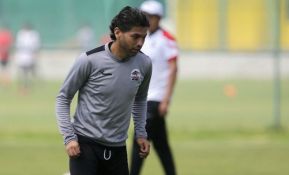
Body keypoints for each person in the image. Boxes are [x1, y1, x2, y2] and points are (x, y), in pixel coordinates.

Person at [55, 6, 152, 175]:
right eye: (135, 36)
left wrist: (141, 133)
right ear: (118, 32)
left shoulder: (144, 64)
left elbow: (140, 99)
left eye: (143, 37)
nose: (140, 43)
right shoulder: (89, 60)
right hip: (85, 145)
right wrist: (69, 138)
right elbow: (63, 98)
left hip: (117, 147)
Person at [130, 1, 178, 175]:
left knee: (139, 140)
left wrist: (166, 99)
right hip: (142, 98)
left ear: (158, 18)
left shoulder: (167, 39)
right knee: (161, 144)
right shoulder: (142, 38)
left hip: (155, 99)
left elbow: (173, 68)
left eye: (149, 16)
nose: (146, 20)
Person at [15, 23, 41, 93]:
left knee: (30, 72)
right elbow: (18, 46)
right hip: (23, 57)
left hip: (29, 57)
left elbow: (35, 45)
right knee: (24, 72)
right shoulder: (21, 34)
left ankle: (29, 85)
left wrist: (35, 54)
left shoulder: (33, 35)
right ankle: (25, 86)